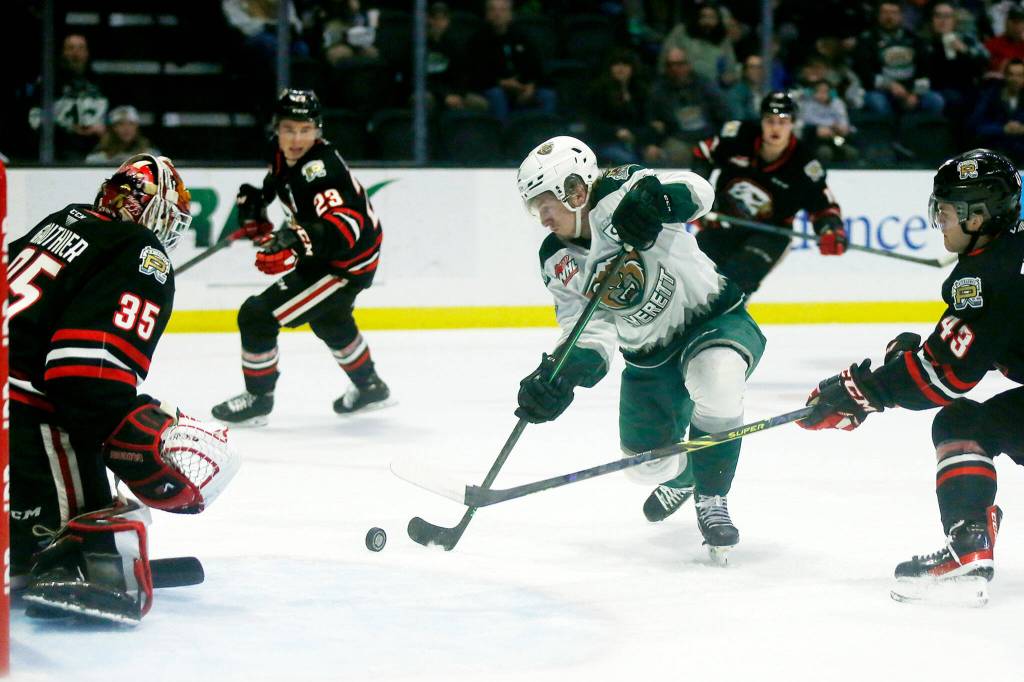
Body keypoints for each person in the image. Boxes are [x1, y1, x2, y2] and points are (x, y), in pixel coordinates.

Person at [8, 154, 239, 623]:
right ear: (148, 210)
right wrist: (134, 435)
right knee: (97, 531)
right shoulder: (142, 252)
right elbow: (85, 377)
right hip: (21, 422)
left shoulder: (60, 223)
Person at [514, 136, 767, 561]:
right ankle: (688, 474)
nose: (542, 217)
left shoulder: (623, 189)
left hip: (712, 317)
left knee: (717, 375)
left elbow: (699, 191)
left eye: (545, 203)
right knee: (643, 466)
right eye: (534, 207)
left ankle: (712, 498)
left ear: (574, 190)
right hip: (648, 358)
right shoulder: (555, 259)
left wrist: (663, 202)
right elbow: (586, 330)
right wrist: (561, 375)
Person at [797, 148, 1023, 600]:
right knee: (970, 422)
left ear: (977, 216)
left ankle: (968, 549)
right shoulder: (1008, 258)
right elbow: (948, 353)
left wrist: (861, 392)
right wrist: (897, 370)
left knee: (962, 423)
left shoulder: (990, 276)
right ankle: (968, 547)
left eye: (946, 210)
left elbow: (944, 377)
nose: (939, 219)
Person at [211, 89, 389, 425]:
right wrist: (257, 204)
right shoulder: (279, 153)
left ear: (318, 130)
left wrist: (293, 238)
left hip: (344, 264)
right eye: (289, 128)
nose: (296, 138)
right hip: (335, 256)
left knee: (257, 315)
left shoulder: (321, 170)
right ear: (276, 128)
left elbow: (345, 228)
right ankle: (370, 386)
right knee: (329, 318)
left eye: (305, 129)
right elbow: (279, 182)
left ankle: (259, 399)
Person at [691, 91, 847, 296]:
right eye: (770, 120)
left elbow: (823, 205)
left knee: (737, 281)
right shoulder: (738, 136)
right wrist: (700, 198)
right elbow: (703, 153)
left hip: (770, 234)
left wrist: (830, 229)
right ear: (761, 121)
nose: (775, 128)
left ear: (792, 124)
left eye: (783, 121)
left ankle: (725, 324)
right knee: (692, 274)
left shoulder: (804, 164)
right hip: (722, 220)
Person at [86, 105, 160, 164]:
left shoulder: (150, 156)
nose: (126, 128)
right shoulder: (98, 158)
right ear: (113, 128)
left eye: (131, 124)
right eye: (121, 124)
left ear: (137, 127)